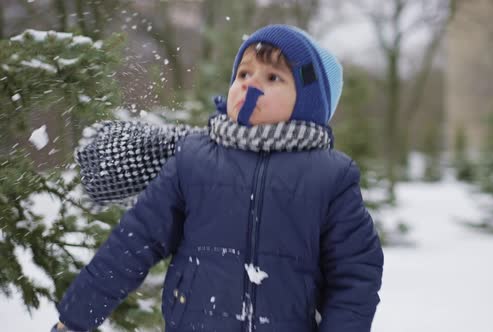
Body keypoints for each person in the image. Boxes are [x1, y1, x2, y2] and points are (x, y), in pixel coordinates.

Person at [52, 24, 383, 332]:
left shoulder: (330, 177)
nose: (250, 85)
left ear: (308, 103)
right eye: (243, 74)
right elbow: (133, 243)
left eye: (273, 78)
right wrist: (75, 319)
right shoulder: (195, 159)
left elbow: (355, 277)